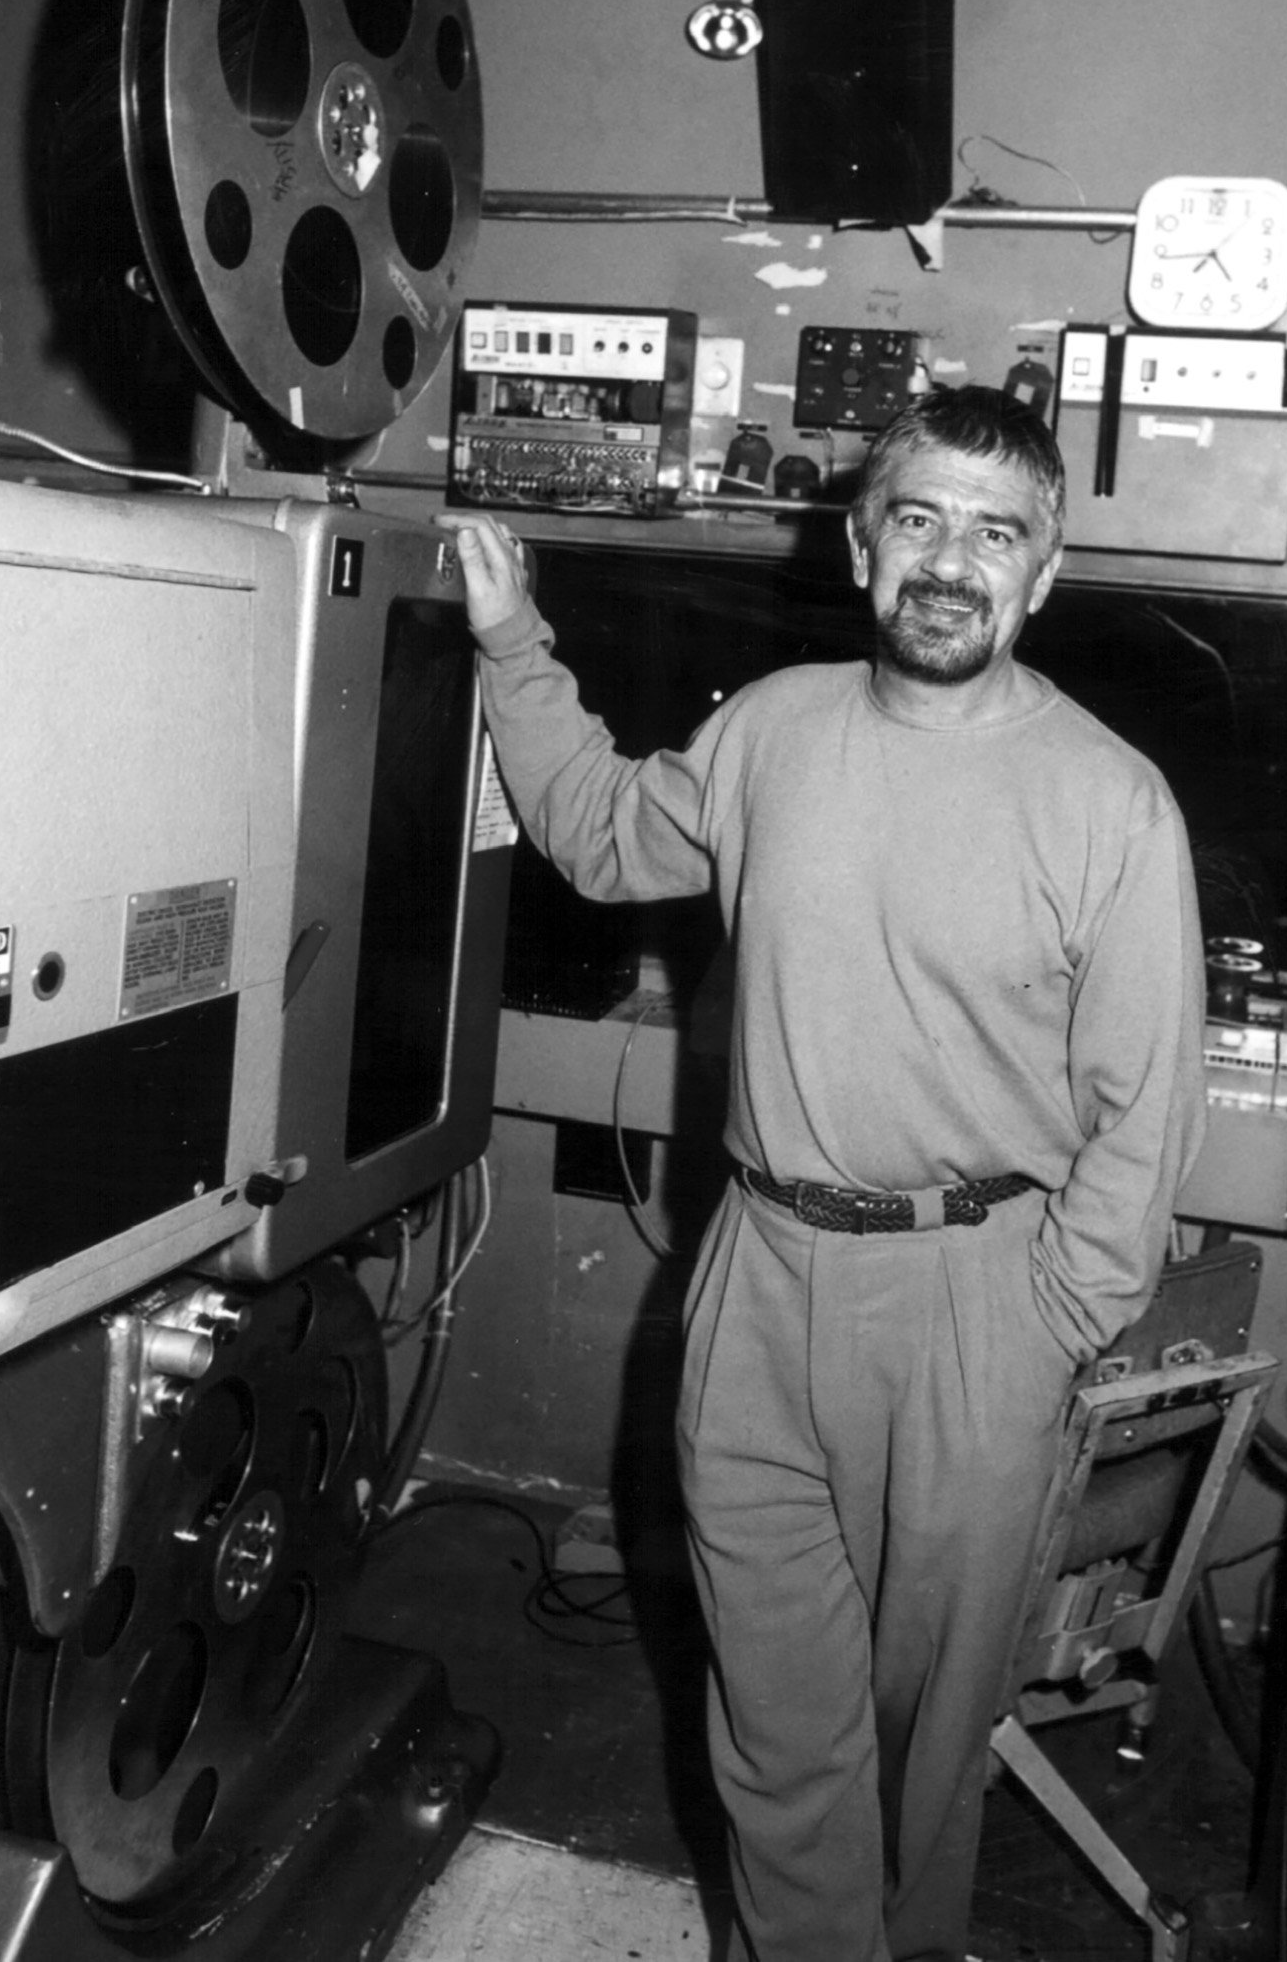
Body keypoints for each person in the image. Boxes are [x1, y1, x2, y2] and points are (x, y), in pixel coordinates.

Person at [451, 385, 1207, 1962]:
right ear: (862, 545)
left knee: (927, 1738)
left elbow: (1144, 1115)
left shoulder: (1114, 802)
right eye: (919, 518)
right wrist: (514, 638)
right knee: (778, 1721)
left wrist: (1044, 1320)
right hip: (758, 1279)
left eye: (997, 533)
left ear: (1044, 573)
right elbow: (596, 832)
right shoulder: (771, 729)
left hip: (976, 1305)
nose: (952, 560)